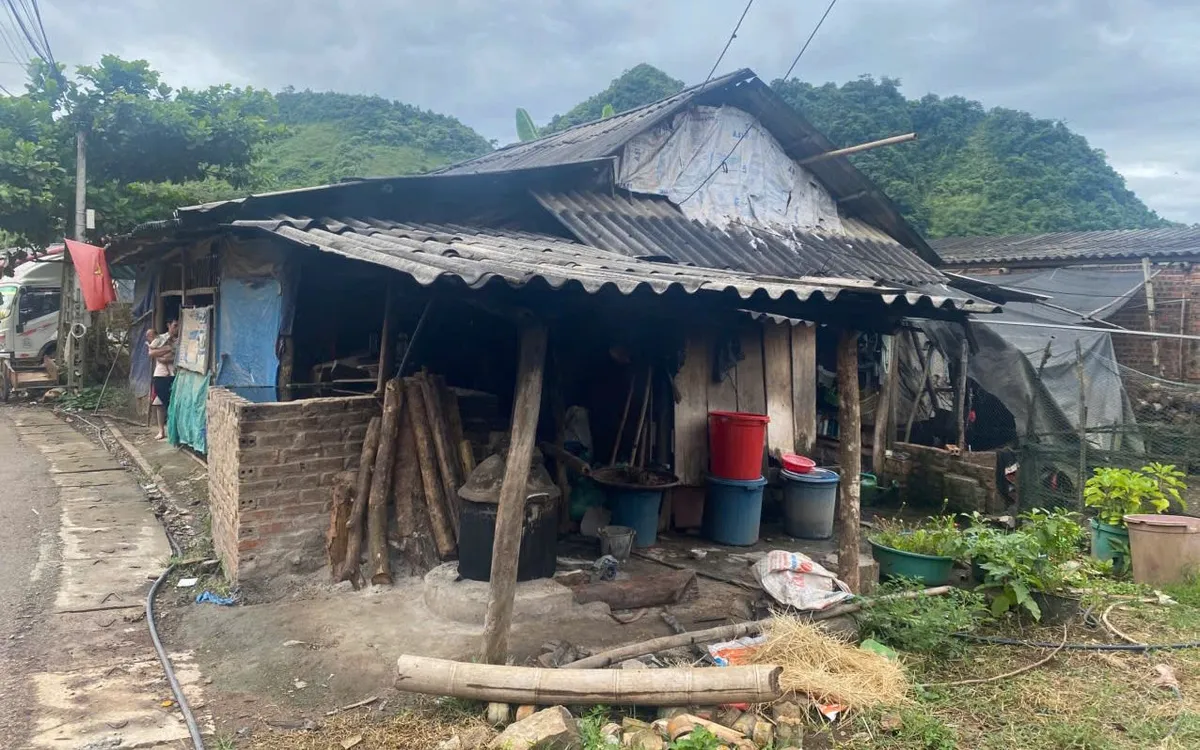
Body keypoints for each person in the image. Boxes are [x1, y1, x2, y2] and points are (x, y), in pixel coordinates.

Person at [149, 319, 179, 440]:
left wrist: (166, 357)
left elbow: (178, 357)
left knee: (173, 403)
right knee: (160, 404)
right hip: (160, 374)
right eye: (175, 325)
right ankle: (161, 430)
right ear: (168, 325)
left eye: (179, 326)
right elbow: (151, 352)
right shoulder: (160, 338)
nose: (177, 328)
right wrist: (168, 349)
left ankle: (173, 430)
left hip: (174, 374)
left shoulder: (181, 340)